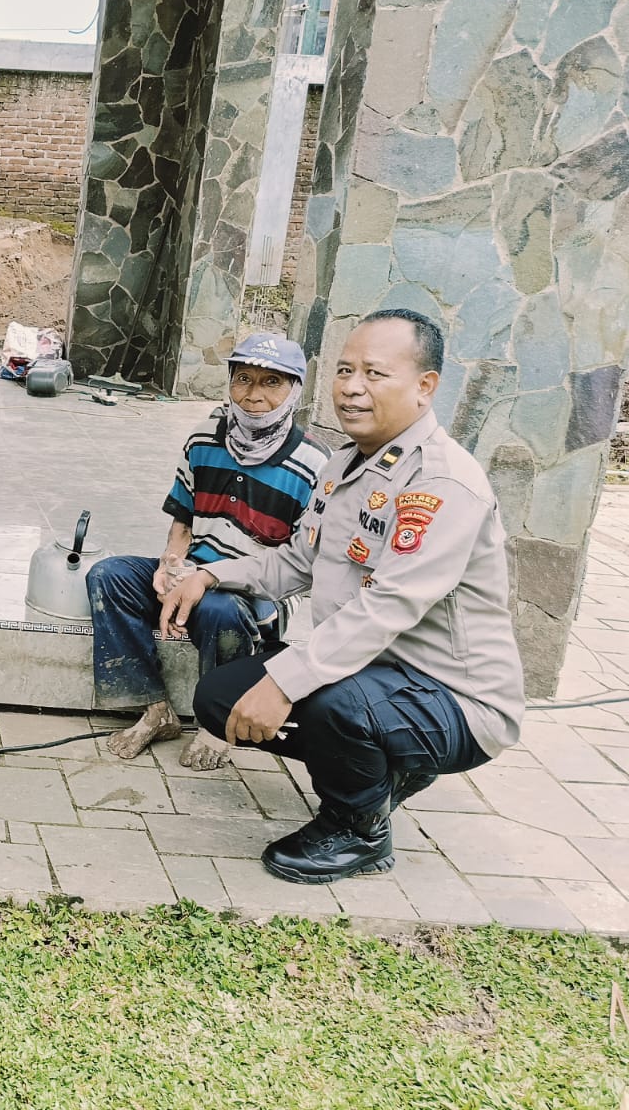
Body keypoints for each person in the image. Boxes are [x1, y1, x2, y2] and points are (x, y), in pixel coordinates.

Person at [162, 309, 523, 884]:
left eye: (374, 373)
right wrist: (210, 575)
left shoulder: (441, 483)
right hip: (373, 671)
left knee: (334, 704)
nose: (352, 387)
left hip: (454, 697)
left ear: (425, 386)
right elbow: (295, 561)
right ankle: (385, 773)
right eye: (344, 370)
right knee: (221, 698)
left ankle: (358, 831)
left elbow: (388, 607)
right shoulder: (343, 465)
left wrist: (284, 683)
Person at [87, 333, 330, 761]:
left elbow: (299, 564)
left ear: (295, 390)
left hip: (260, 594)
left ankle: (217, 725)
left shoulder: (315, 464)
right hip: (195, 572)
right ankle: (154, 708)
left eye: (272, 382)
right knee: (109, 576)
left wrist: (210, 579)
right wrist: (170, 565)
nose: (254, 395)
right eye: (243, 379)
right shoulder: (203, 441)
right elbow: (183, 520)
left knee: (219, 608)